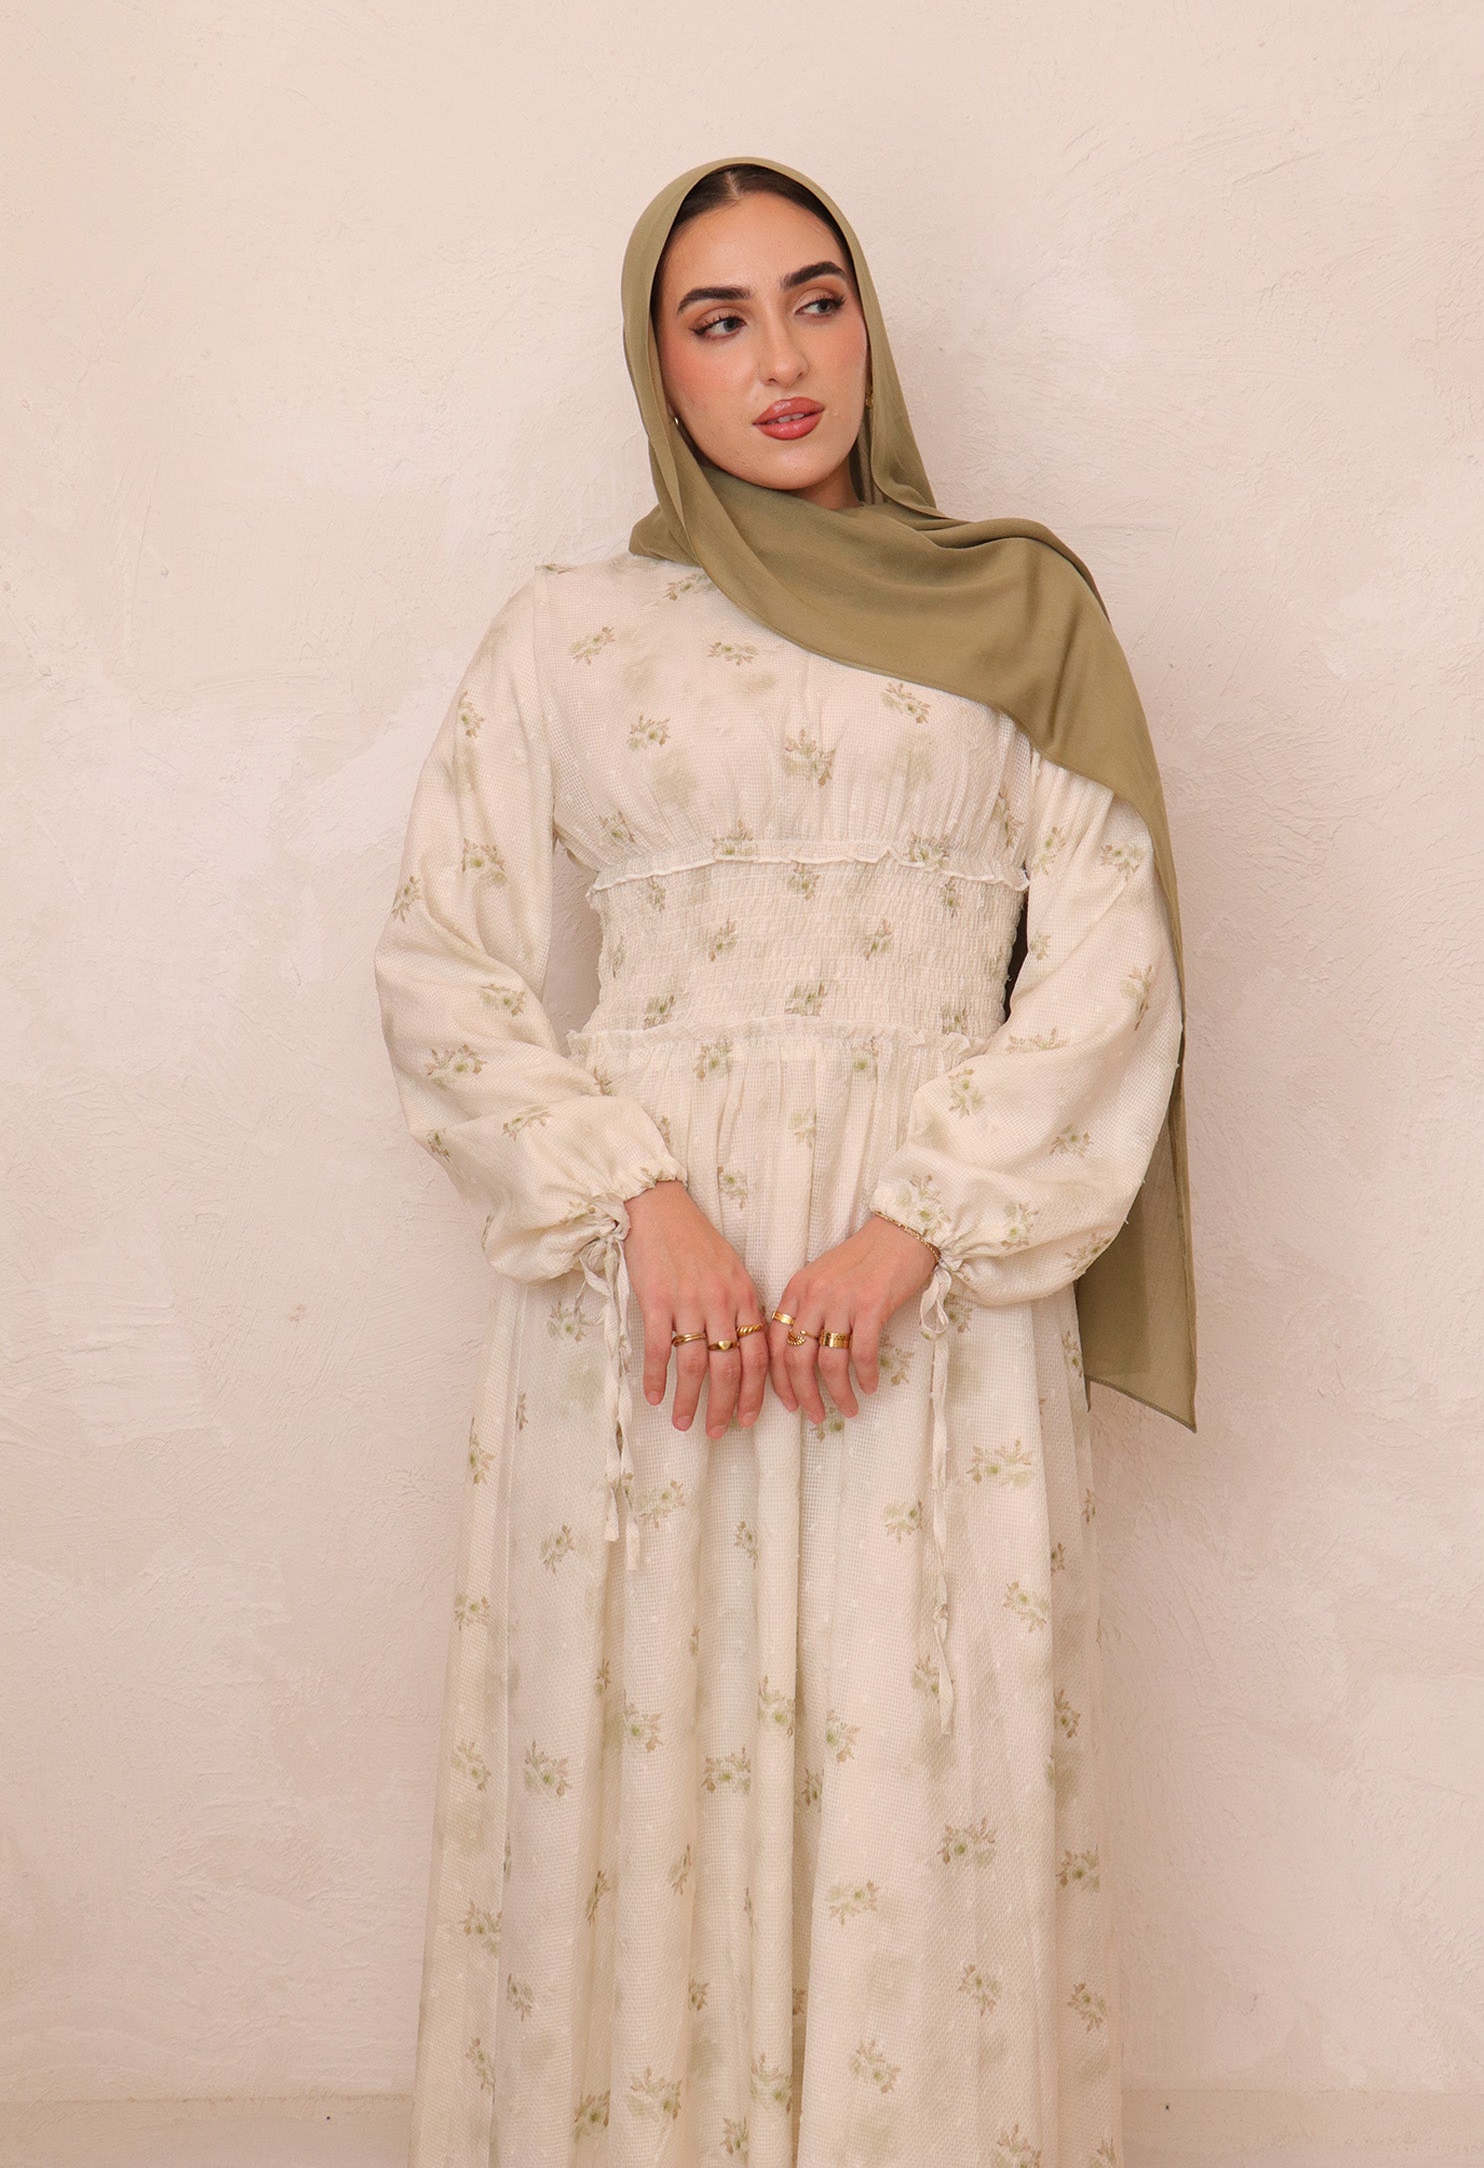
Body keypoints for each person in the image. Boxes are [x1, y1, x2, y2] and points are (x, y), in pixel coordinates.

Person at [373, 155, 1196, 2168]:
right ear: (656, 363)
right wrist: (635, 1203)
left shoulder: (1022, 607)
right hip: (655, 1299)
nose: (781, 358)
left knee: (926, 1751)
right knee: (639, 1753)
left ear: (868, 325)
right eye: (718, 318)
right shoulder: (572, 633)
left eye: (815, 299)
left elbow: (1109, 960)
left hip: (925, 1287)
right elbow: (441, 958)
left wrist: (913, 1228)